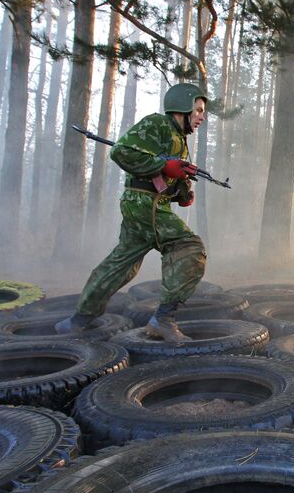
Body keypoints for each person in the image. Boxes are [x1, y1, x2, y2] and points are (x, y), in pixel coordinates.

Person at [55, 83, 209, 342]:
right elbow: (122, 151)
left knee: (123, 263)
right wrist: (163, 165)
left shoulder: (179, 141)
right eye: (198, 110)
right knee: (189, 247)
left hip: (146, 202)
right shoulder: (158, 124)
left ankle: (79, 320)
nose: (201, 117)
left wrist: (183, 191)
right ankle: (163, 319)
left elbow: (166, 176)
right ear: (182, 108)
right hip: (144, 203)